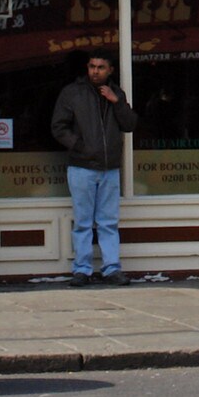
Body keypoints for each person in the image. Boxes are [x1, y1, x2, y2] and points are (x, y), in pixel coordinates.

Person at [50, 52, 138, 286]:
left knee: (108, 222)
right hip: (82, 167)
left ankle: (111, 268)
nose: (95, 71)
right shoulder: (72, 93)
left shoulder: (116, 93)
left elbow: (129, 124)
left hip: (109, 168)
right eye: (92, 66)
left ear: (110, 70)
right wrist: (79, 146)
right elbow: (58, 126)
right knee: (83, 222)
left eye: (100, 67)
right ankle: (82, 269)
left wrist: (116, 101)